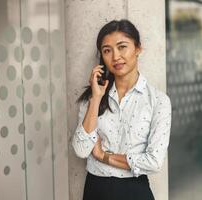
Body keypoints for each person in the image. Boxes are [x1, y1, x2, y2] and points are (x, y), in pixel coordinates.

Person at [72, 19, 172, 200]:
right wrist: (96, 98)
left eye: (122, 47)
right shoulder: (93, 97)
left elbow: (154, 162)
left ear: (138, 48)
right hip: (96, 189)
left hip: (134, 191)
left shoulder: (158, 101)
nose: (115, 56)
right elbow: (80, 149)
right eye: (107, 51)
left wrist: (104, 156)